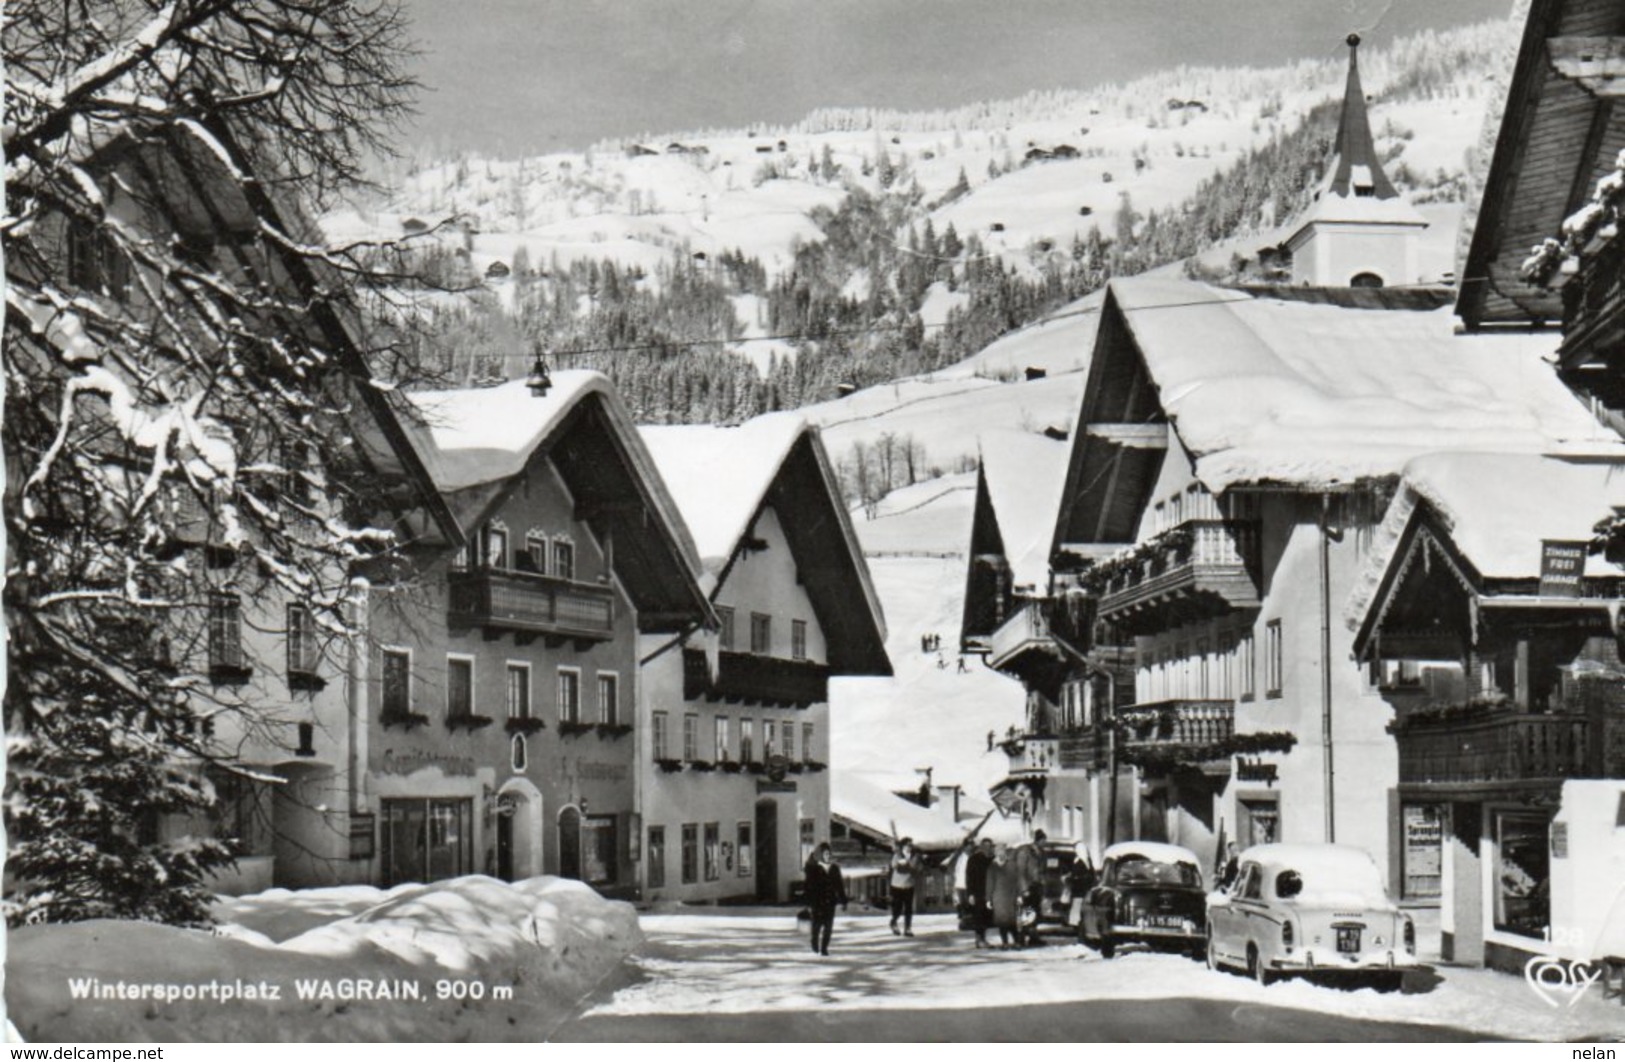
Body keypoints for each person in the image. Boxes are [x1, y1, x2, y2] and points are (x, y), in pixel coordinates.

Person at [804, 842, 848, 956]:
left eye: (829, 853)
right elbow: (809, 886)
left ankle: (824, 948)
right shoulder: (814, 868)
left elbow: (839, 885)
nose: (827, 856)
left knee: (828, 927)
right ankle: (815, 943)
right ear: (821, 854)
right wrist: (809, 902)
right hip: (817, 902)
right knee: (817, 926)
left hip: (830, 901)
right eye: (825, 853)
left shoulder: (834, 868)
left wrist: (843, 900)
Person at [986, 843, 1021, 949]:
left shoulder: (1012, 865)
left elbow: (1018, 881)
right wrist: (988, 899)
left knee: (1013, 921)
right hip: (998, 898)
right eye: (998, 851)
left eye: (1002, 851)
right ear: (995, 853)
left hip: (1011, 897)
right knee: (1001, 922)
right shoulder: (992, 867)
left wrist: (1019, 895)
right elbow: (989, 884)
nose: (1001, 854)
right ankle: (1005, 942)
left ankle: (1016, 942)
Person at [888, 838, 924, 936]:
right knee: (898, 907)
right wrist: (901, 863)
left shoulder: (915, 856)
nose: (909, 847)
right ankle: (894, 921)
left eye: (910, 845)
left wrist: (910, 865)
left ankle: (907, 928)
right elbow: (894, 866)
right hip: (897, 885)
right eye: (907, 845)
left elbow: (918, 868)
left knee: (908, 908)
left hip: (909, 885)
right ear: (903, 846)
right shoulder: (898, 855)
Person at [966, 838, 994, 949]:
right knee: (978, 916)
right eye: (985, 846)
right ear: (981, 847)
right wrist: (970, 894)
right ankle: (979, 939)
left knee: (986, 916)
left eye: (989, 846)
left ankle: (982, 938)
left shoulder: (992, 859)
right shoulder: (973, 859)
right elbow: (969, 878)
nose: (988, 848)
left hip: (988, 891)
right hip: (977, 892)